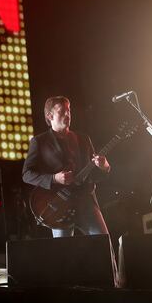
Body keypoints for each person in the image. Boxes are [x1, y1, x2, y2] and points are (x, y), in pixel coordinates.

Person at [22, 96, 111, 238]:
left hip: (85, 202)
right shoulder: (39, 141)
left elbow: (94, 174)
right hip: (59, 205)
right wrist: (54, 178)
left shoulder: (83, 139)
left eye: (69, 110)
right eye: (62, 111)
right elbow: (27, 174)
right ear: (49, 116)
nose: (67, 114)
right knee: (64, 253)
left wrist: (104, 166)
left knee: (104, 246)